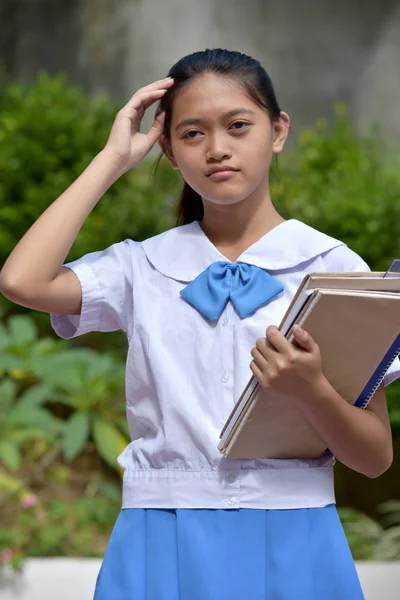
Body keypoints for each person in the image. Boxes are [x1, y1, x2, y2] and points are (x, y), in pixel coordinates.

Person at [1, 48, 399, 600]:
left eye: (239, 126)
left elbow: (375, 457)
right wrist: (113, 160)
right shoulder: (140, 266)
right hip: (159, 534)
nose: (217, 149)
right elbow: (22, 281)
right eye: (191, 134)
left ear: (278, 130)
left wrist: (311, 392)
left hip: (295, 536)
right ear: (167, 147)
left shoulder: (332, 267)